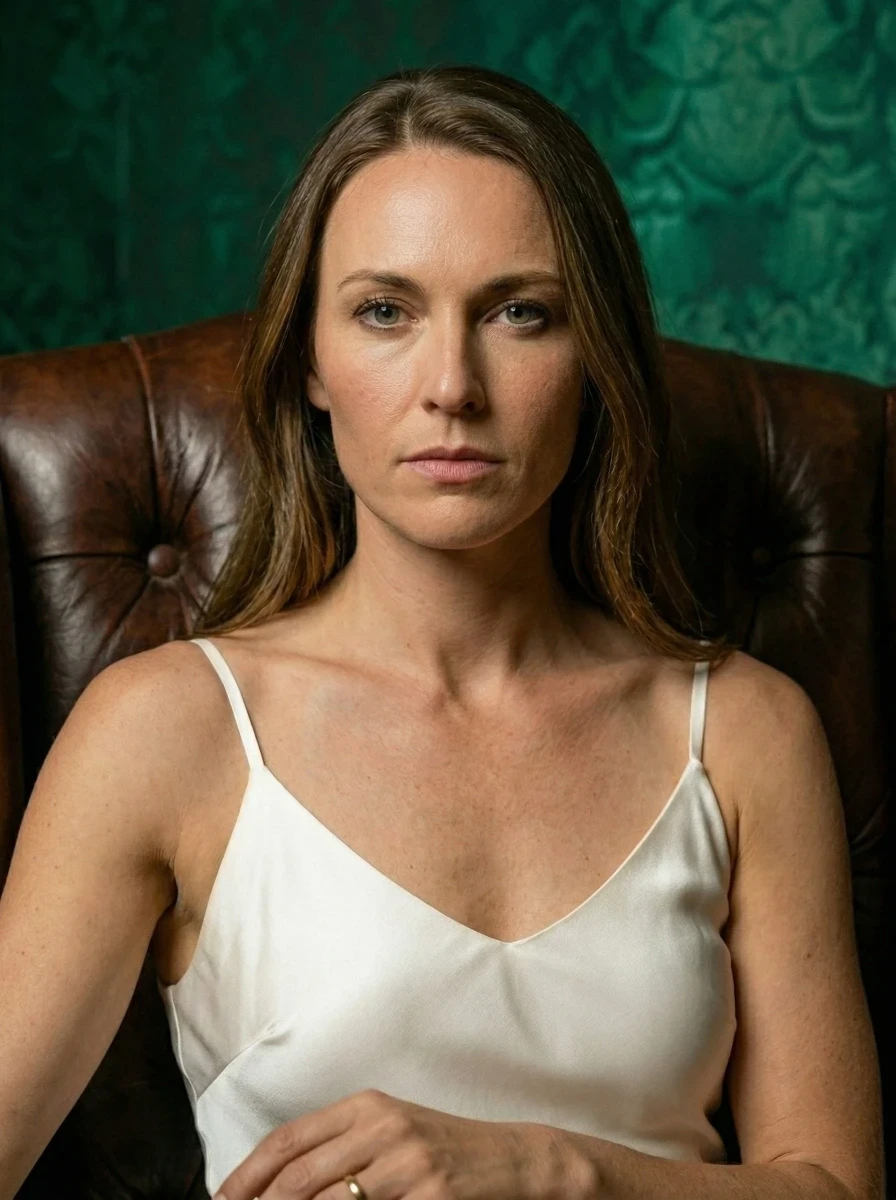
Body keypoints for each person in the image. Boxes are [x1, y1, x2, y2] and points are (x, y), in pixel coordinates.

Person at [0, 64, 883, 1200]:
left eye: (520, 312)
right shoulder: (165, 729)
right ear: (308, 363)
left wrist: (550, 1167)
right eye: (385, 312)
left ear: (596, 359)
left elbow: (832, 1187)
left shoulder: (746, 731)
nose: (452, 386)